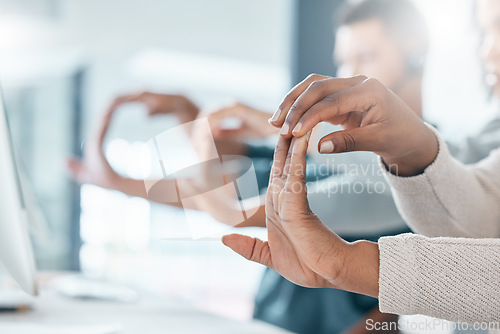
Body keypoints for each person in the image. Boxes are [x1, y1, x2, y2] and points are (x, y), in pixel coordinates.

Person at [222, 0, 500, 324]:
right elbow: (483, 212)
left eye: (365, 56)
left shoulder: (453, 151)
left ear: (414, 50)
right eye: (484, 31)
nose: (486, 52)